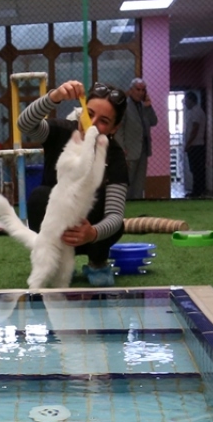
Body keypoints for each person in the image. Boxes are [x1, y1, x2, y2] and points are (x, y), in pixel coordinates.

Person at [16, 80, 130, 287]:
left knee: (115, 222)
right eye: (89, 113)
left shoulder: (115, 156)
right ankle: (54, 261)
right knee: (40, 196)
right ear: (81, 111)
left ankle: (97, 261)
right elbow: (24, 124)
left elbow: (115, 215)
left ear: (115, 127)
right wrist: (54, 97)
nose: (92, 124)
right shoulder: (61, 131)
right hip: (57, 229)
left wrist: (93, 233)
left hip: (90, 233)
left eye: (103, 121)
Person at [118, 77, 158, 200]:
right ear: (131, 90)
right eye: (138, 89)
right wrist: (122, 148)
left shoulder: (143, 106)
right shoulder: (124, 105)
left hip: (143, 149)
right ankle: (125, 203)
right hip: (129, 149)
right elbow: (119, 129)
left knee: (140, 182)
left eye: (143, 90)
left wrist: (148, 106)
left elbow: (154, 121)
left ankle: (138, 201)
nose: (140, 93)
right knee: (128, 181)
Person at [182, 91, 207, 198]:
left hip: (196, 145)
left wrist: (188, 143)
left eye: (185, 100)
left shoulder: (196, 111)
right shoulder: (193, 111)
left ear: (190, 100)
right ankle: (197, 190)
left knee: (196, 169)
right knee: (195, 169)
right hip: (195, 144)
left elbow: (195, 129)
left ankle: (197, 191)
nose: (184, 103)